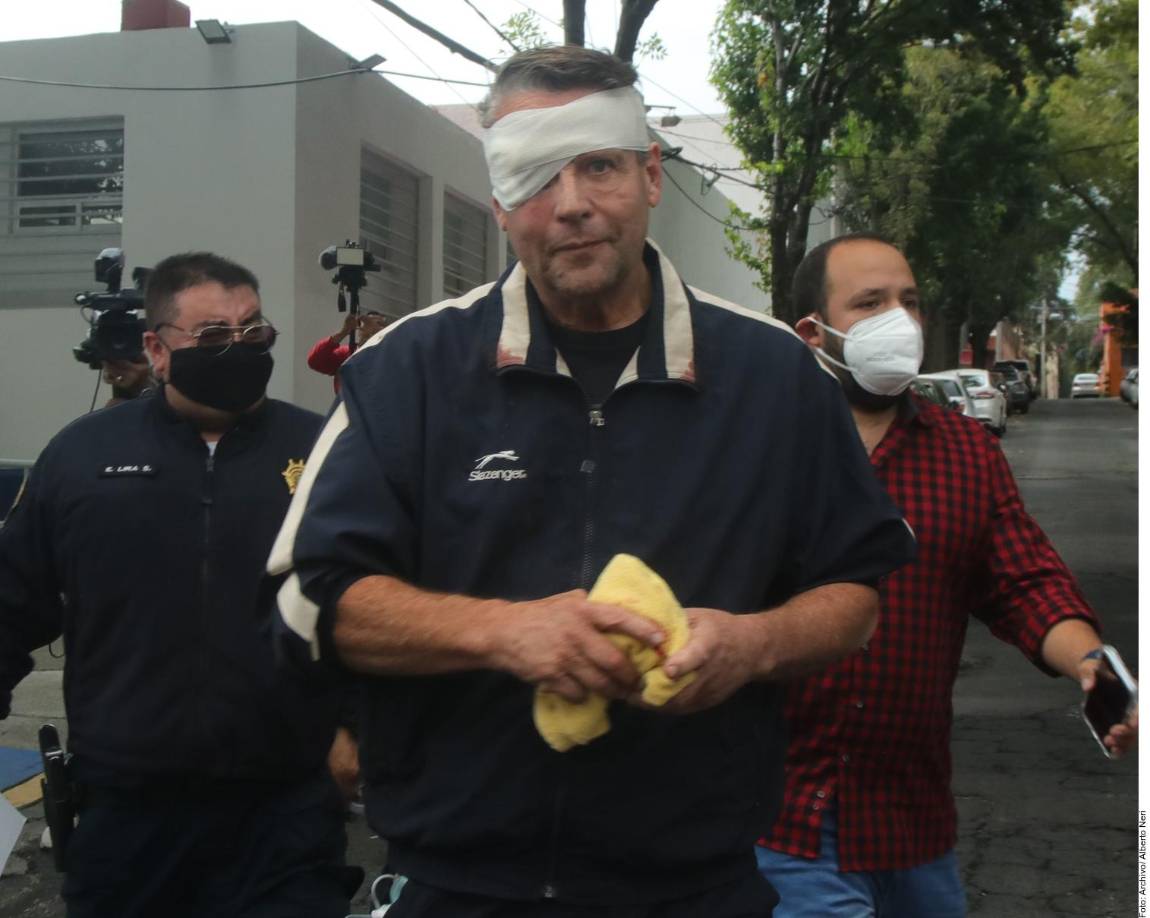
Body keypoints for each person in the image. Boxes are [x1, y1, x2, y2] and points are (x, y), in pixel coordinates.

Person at [270, 47, 916, 918]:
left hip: (698, 886)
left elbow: (854, 589)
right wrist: (502, 633)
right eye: (534, 176)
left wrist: (753, 646)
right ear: (500, 205)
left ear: (650, 175)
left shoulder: (777, 377)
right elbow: (311, 602)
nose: (571, 203)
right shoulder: (406, 371)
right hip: (460, 887)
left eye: (600, 166)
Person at [758, 233, 1138, 917]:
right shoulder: (759, 448)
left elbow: (1027, 582)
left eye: (909, 302)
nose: (898, 321)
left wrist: (1091, 664)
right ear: (814, 332)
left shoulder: (964, 452)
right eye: (870, 303)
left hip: (914, 831)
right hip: (783, 825)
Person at [0, 252, 354, 918]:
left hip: (284, 810)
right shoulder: (82, 457)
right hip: (127, 813)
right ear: (157, 351)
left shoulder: (325, 453)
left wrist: (359, 733)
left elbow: (372, 602)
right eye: (214, 336)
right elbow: (11, 601)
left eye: (253, 332)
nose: (240, 348)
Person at [307, 309, 390, 391]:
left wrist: (377, 335)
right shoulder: (347, 353)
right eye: (366, 322)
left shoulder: (390, 354)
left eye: (378, 324)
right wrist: (344, 332)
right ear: (359, 329)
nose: (370, 326)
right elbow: (315, 361)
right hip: (349, 403)